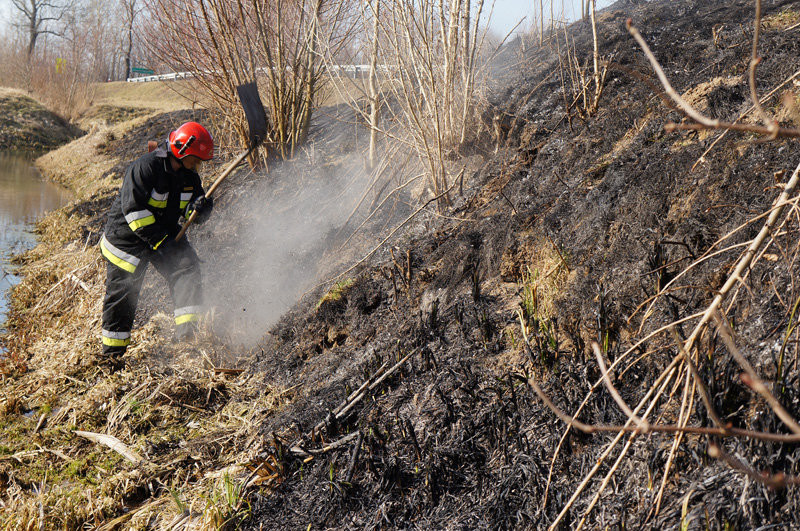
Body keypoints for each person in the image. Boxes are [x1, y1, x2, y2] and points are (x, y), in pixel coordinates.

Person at [99, 121, 215, 364]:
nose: (198, 166)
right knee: (124, 293)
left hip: (162, 234)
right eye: (196, 160)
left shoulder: (188, 175)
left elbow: (191, 210)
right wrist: (163, 242)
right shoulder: (144, 168)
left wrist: (201, 208)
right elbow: (134, 212)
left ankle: (187, 338)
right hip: (127, 241)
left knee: (186, 268)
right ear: (182, 151)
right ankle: (112, 358)